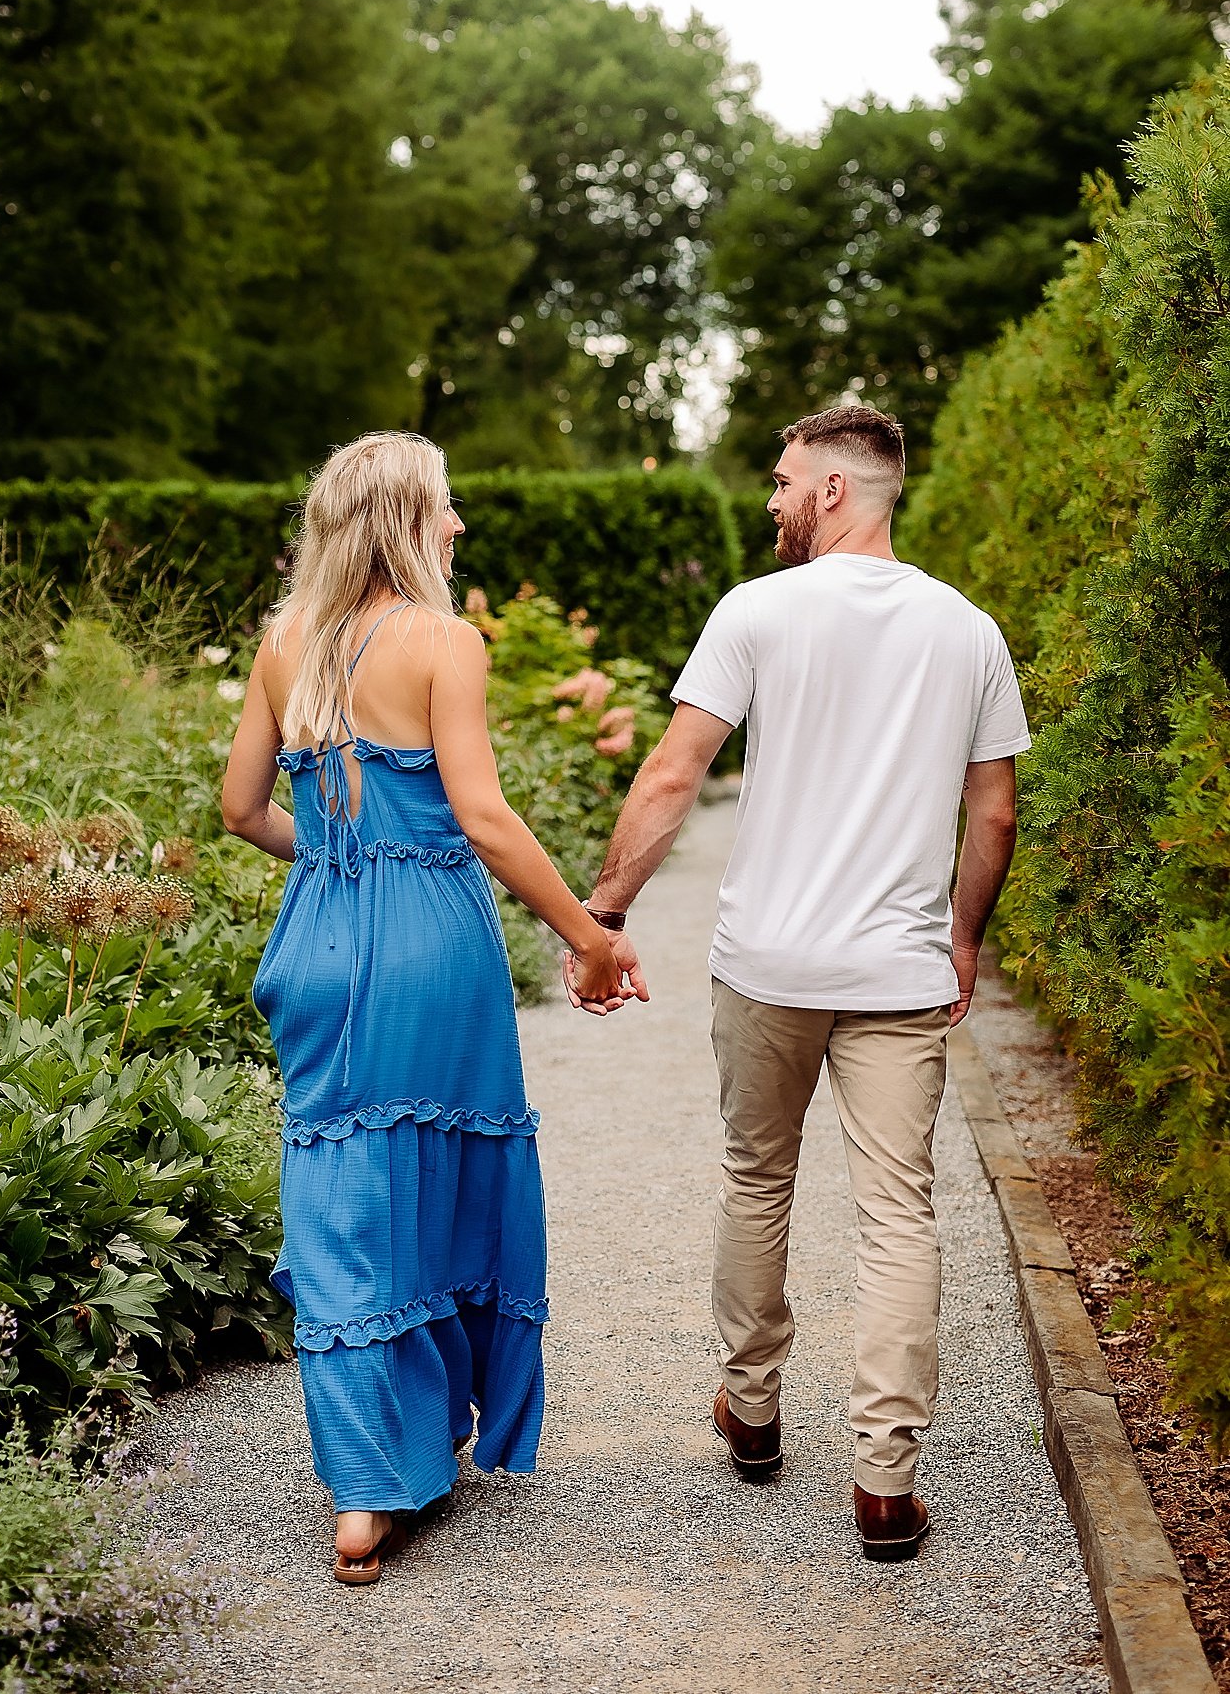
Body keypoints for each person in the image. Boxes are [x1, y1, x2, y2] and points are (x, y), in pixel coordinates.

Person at [578, 404, 1028, 1561]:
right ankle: (885, 1483)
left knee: (755, 1178)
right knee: (898, 1213)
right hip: (897, 967)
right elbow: (994, 810)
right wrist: (961, 937)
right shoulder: (969, 630)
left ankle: (755, 1411)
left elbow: (675, 775)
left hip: (769, 961)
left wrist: (607, 913)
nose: (772, 500)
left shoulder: (756, 611)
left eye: (784, 481)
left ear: (833, 490)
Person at [221, 431, 646, 1585]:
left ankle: (368, 1486)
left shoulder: (281, 642)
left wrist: (337, 858)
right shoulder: (444, 645)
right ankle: (407, 1452)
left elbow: (239, 807)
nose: (458, 526)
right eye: (446, 507)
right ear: (408, 520)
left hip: (317, 936)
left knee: (345, 1192)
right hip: (429, 948)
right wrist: (592, 939)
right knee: (448, 1174)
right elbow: (489, 820)